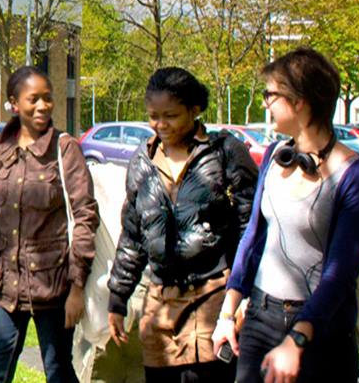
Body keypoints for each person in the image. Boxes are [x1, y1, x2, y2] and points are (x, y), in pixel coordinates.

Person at [211, 47, 359, 383]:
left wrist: (297, 339)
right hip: (261, 317)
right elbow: (254, 237)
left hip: (321, 330)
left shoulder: (355, 177)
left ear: (299, 101)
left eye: (270, 94)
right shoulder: (276, 155)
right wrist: (228, 312)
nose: (265, 103)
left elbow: (339, 275)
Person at [108, 68, 259, 382]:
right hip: (160, 305)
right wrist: (118, 298)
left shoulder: (226, 153)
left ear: (194, 110)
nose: (160, 125)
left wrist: (245, 295)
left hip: (214, 299)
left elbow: (251, 229)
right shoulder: (142, 161)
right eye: (153, 116)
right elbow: (133, 235)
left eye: (170, 115)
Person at [0, 65, 100, 383]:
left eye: (48, 98)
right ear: (14, 103)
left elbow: (85, 216)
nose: (43, 106)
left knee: (58, 372)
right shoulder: (1, 148)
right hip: (5, 286)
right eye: (33, 99)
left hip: (54, 288)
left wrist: (77, 288)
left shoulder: (64, 149)